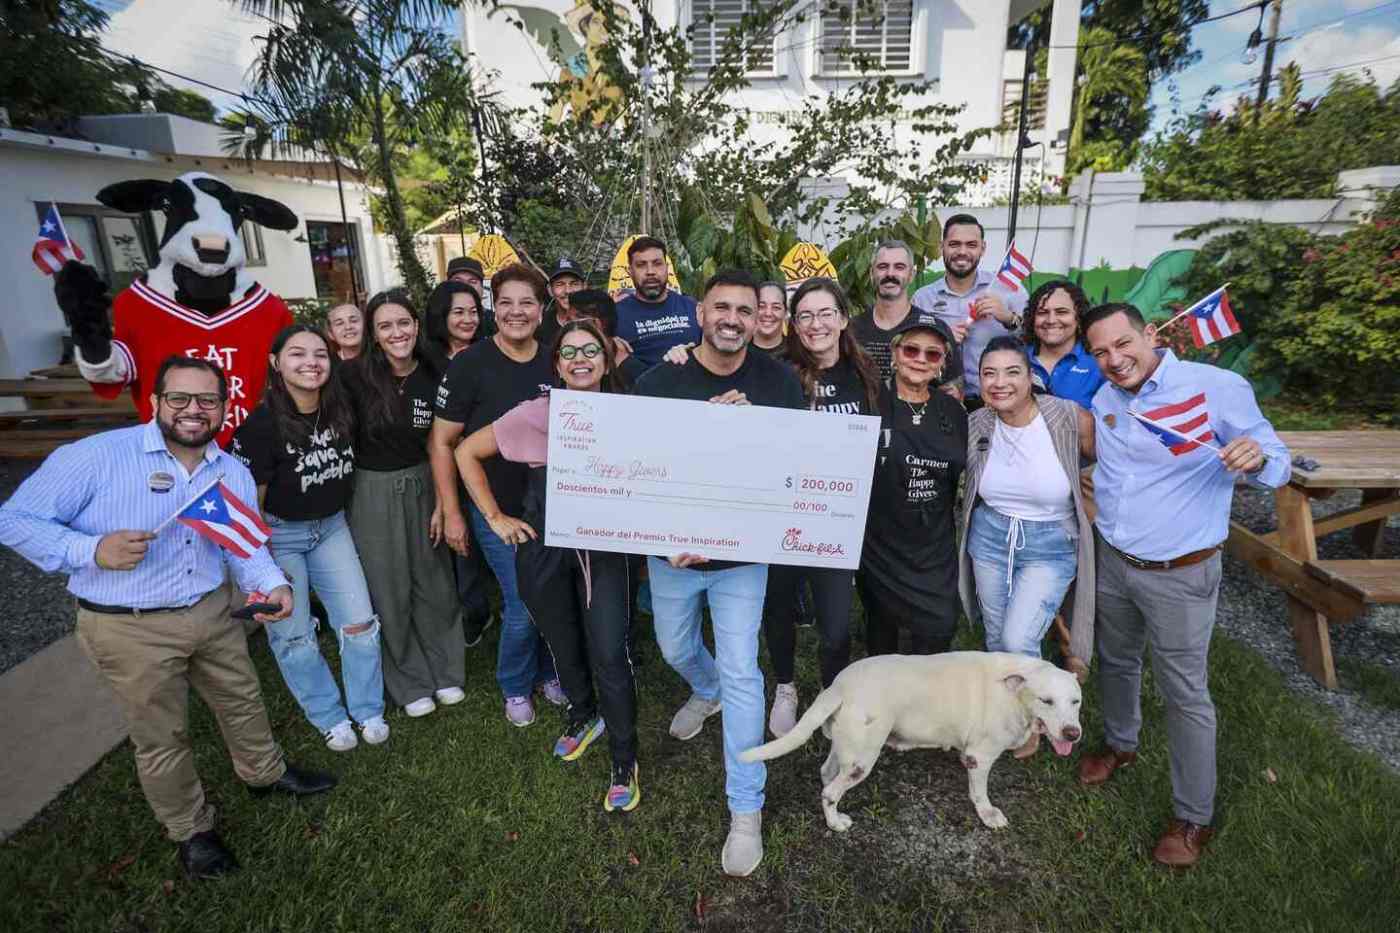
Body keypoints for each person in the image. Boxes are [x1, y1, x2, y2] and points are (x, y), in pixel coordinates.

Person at [0, 355, 335, 880]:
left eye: (206, 400)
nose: (192, 410)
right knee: (162, 735)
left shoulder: (229, 471)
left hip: (208, 612)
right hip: (128, 625)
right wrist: (89, 550)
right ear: (155, 402)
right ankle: (191, 829)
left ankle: (265, 774)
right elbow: (13, 519)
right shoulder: (96, 457)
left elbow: (242, 547)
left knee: (242, 700)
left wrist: (270, 583)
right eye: (178, 398)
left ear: (224, 407)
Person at [1077, 302, 1290, 868]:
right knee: (1117, 661)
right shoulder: (1105, 398)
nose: (1114, 360)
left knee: (1185, 693)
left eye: (1123, 344)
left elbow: (1278, 459)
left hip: (1181, 571)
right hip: (1115, 560)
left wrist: (1257, 457)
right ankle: (1121, 745)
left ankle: (1192, 815)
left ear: (1151, 334)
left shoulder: (1215, 387)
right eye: (1100, 352)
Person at [633, 268, 805, 877]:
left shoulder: (780, 383)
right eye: (721, 308)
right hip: (674, 555)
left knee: (742, 672)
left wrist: (751, 428)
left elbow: (794, 469)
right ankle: (700, 690)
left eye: (745, 309)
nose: (732, 319)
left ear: (761, 317)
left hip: (741, 559)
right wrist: (661, 533)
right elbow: (636, 464)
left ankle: (745, 809)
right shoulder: (661, 380)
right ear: (700, 314)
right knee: (674, 645)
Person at [456, 319, 642, 811]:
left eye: (590, 351)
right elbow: (465, 451)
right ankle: (584, 713)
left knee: (607, 647)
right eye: (569, 352)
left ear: (606, 360)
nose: (580, 360)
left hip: (603, 548)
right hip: (542, 544)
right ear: (556, 364)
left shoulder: (632, 415)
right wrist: (495, 517)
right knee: (560, 638)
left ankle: (625, 757)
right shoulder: (536, 414)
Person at [231, 325, 387, 750]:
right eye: (297, 354)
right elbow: (248, 507)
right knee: (294, 634)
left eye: (320, 353)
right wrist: (258, 571)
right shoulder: (259, 428)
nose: (310, 362)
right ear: (275, 362)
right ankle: (328, 715)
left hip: (332, 527)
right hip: (280, 536)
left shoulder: (340, 410)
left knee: (358, 622)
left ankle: (367, 707)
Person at [430, 264, 563, 726]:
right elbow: (443, 443)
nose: (515, 312)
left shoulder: (556, 360)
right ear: (493, 307)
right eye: (505, 302)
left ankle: (550, 672)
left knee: (551, 595)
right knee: (523, 604)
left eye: (526, 302)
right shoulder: (470, 364)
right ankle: (513, 684)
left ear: (542, 310)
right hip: (495, 508)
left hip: (551, 508)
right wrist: (453, 511)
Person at [956, 336, 1096, 746]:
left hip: (1050, 540)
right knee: (998, 639)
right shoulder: (978, 422)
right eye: (989, 373)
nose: (1000, 382)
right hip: (991, 536)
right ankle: (1010, 719)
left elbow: (1103, 462)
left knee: (1019, 638)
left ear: (1031, 376)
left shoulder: (1068, 417)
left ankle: (1040, 721)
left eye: (1012, 372)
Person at [763, 278, 881, 738]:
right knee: (778, 609)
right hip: (783, 516)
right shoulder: (777, 372)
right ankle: (787, 685)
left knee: (835, 626)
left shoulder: (864, 373)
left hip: (837, 522)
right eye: (806, 315)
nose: (816, 324)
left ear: (843, 318)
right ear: (795, 323)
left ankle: (833, 693)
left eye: (826, 313)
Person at [342, 289, 464, 719]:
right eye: (385, 326)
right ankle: (409, 680)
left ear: (416, 325)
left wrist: (442, 503)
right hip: (372, 489)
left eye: (404, 323)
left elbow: (442, 442)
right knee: (388, 587)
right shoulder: (353, 377)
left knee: (434, 582)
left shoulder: (437, 372)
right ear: (374, 334)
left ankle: (446, 671)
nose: (397, 333)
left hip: (425, 481)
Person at [858, 310, 967, 656]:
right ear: (894, 353)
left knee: (939, 629)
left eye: (932, 354)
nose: (920, 360)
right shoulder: (869, 402)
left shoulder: (953, 413)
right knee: (882, 637)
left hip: (934, 545)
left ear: (942, 364)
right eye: (911, 350)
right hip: (880, 545)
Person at [421, 279, 497, 648]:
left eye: (473, 311)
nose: (468, 319)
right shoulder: (426, 364)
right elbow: (435, 437)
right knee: (459, 540)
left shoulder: (490, 352)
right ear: (441, 316)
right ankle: (473, 610)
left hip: (489, 464)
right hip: (444, 466)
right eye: (458, 312)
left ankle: (489, 604)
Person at [912, 215, 1027, 410]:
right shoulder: (923, 298)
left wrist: (1008, 318)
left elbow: (1035, 340)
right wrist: (941, 338)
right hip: (938, 401)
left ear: (983, 248)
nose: (962, 252)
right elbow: (911, 353)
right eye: (954, 244)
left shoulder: (1007, 289)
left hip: (997, 401)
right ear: (942, 247)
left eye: (971, 245)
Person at [852, 240, 962, 394]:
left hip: (917, 416)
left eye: (899, 267)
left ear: (911, 275)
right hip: (863, 417)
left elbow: (954, 390)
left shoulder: (935, 330)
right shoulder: (851, 329)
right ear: (871, 273)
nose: (890, 274)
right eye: (882, 267)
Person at [615, 236, 701, 368]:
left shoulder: (692, 308)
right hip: (639, 387)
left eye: (657, 263)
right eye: (641, 265)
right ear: (630, 271)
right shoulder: (614, 315)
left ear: (667, 268)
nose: (650, 272)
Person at [1022, 280, 1103, 409]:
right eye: (1042, 312)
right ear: (1032, 318)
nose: (1051, 320)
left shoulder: (1099, 364)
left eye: (1061, 312)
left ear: (1078, 317)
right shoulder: (1016, 358)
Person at [537, 256, 588, 345]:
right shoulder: (541, 324)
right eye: (560, 284)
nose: (568, 290)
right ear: (550, 290)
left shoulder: (598, 322)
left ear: (584, 287)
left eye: (574, 284)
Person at [750, 280, 789, 357]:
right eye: (761, 306)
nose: (768, 313)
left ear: (785, 313)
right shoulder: (738, 351)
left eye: (776, 307)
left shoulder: (799, 354)